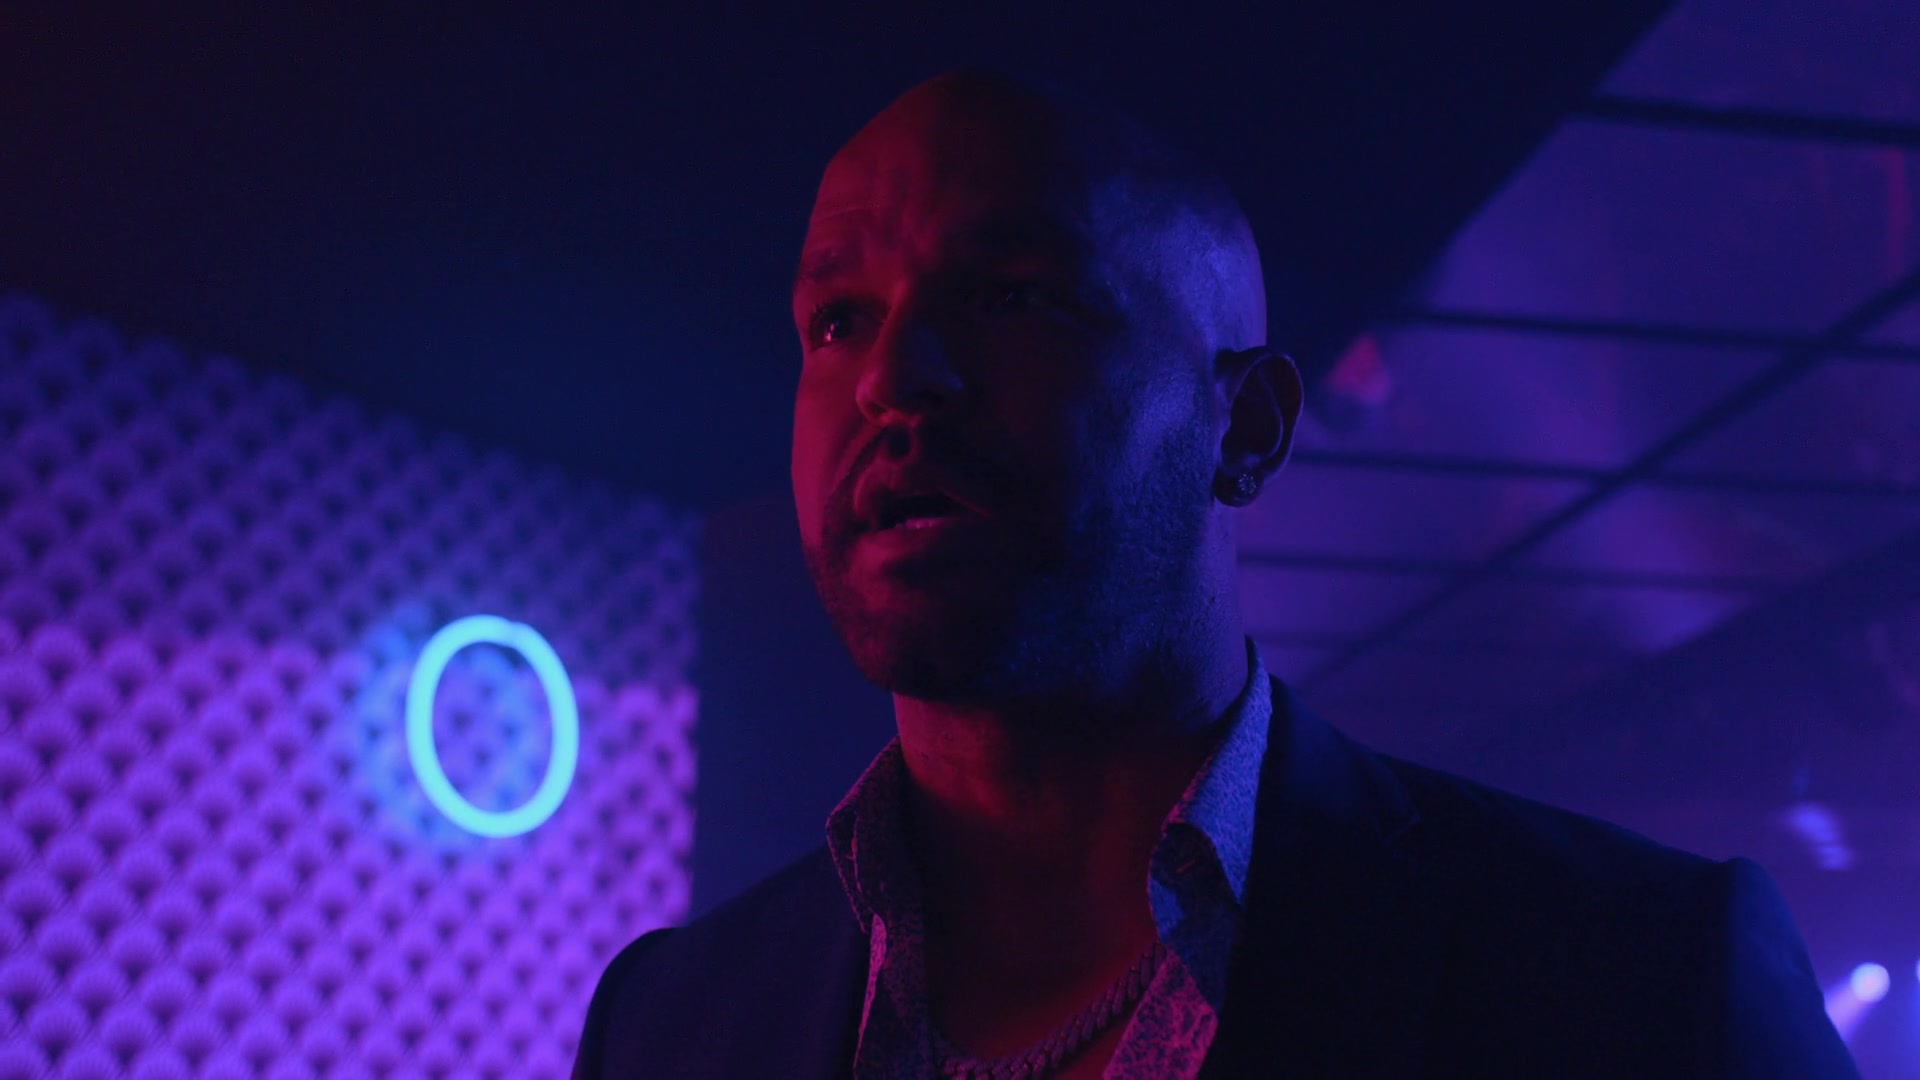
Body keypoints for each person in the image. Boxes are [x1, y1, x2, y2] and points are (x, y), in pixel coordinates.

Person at [572, 69, 1857, 1079]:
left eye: (1013, 297)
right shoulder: (671, 1025)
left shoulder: (1640, 977)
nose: (893, 378)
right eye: (837, 319)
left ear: (1245, 428)